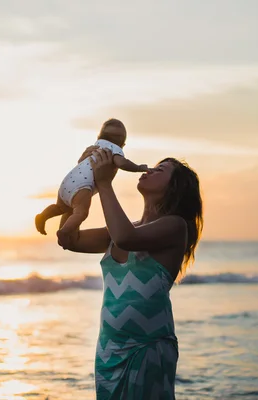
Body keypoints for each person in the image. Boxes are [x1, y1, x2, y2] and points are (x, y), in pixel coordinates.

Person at [57, 147, 203, 400]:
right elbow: (69, 239)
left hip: (146, 348)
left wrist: (104, 182)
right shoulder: (125, 227)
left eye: (161, 170)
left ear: (175, 188)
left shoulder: (175, 226)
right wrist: (85, 182)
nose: (150, 170)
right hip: (109, 350)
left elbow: (126, 238)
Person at [35, 118, 148, 247]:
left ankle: (42, 216)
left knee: (60, 207)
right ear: (123, 145)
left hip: (67, 181)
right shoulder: (115, 150)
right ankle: (64, 231)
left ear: (99, 136)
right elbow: (123, 163)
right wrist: (138, 167)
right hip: (81, 186)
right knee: (80, 212)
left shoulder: (96, 146)